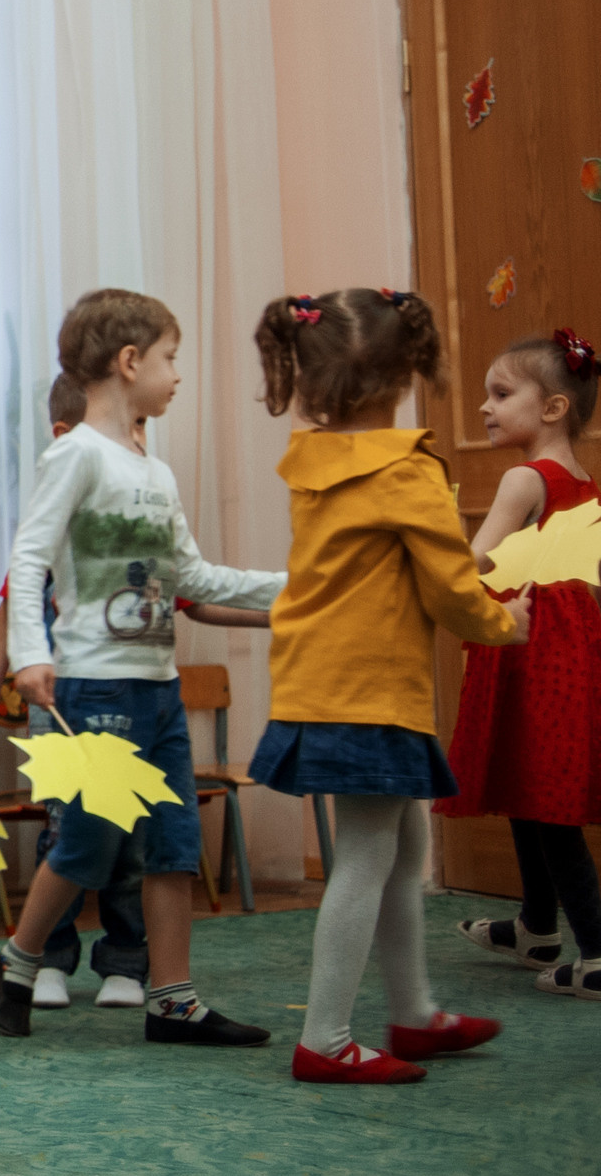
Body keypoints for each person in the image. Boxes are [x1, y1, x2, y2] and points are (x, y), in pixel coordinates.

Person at [0, 290, 285, 1047]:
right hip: (97, 685)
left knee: (174, 841)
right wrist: (30, 654)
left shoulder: (156, 472)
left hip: (159, 689)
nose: (177, 375)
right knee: (88, 841)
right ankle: (18, 959)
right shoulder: (76, 454)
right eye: (169, 358)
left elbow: (195, 577)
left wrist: (296, 590)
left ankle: (173, 999)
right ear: (128, 362)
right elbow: (29, 558)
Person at [245, 289, 528, 1082]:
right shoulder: (405, 470)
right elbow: (448, 586)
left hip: (325, 684)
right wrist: (505, 621)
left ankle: (415, 1014)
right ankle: (326, 1040)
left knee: (403, 850)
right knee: (369, 857)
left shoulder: (314, 464)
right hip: (369, 694)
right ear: (402, 377)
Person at [440, 328, 601, 1000]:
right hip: (566, 649)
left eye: (501, 394)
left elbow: (474, 559)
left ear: (554, 408)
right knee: (530, 785)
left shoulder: (523, 478)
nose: (485, 407)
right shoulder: (582, 481)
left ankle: (596, 950)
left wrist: (427, 539)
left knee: (547, 805)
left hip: (532, 649)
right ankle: (537, 925)